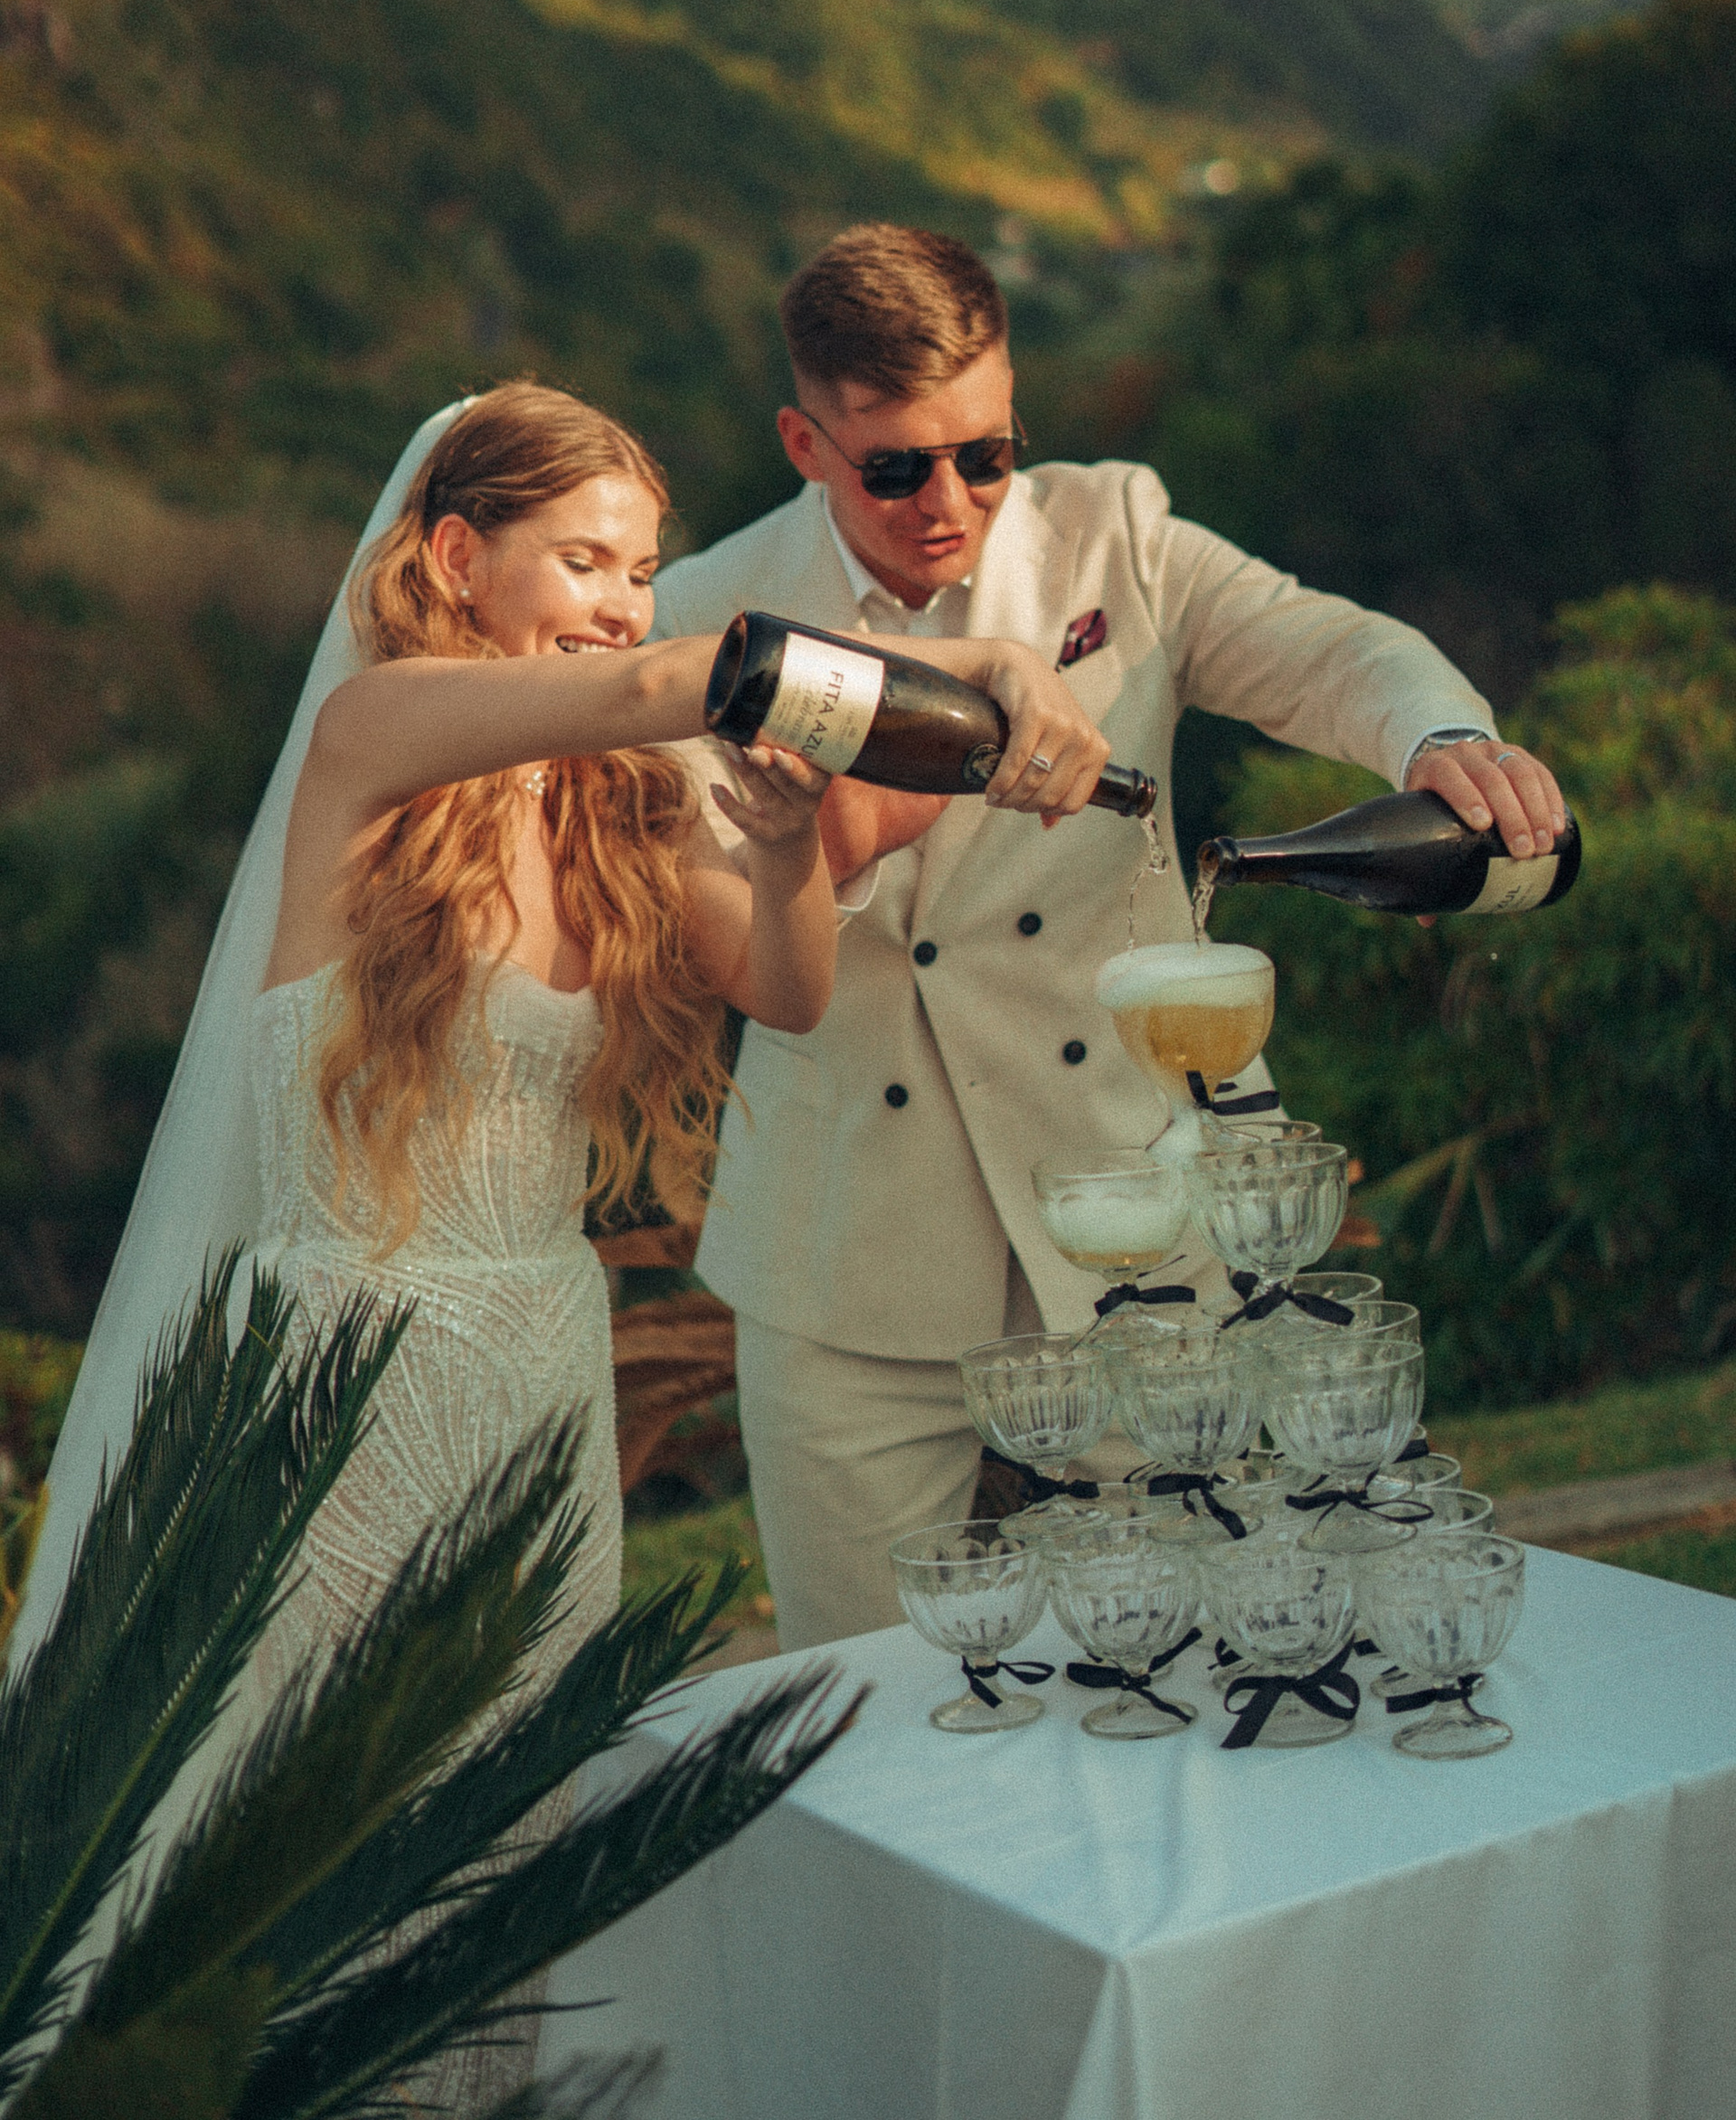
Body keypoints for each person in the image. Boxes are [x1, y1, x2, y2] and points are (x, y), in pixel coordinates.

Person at [15, 377, 1084, 2114]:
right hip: (340, 1387)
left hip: (534, 1382)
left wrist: (792, 834)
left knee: (499, 1863)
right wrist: (984, 669)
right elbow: (680, 679)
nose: (620, 602)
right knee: (299, 1854)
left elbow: (791, 989)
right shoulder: (372, 733)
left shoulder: (620, 804)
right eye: (584, 559)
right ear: (455, 555)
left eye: (642, 570)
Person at [651, 222, 1570, 1654]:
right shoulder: (706, 615)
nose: (948, 502)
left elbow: (1331, 649)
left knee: (1204, 1639)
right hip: (847, 1252)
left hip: (1140, 1207)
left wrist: (1440, 735)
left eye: (986, 455)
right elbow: (698, 923)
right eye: (894, 469)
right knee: (866, 1684)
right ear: (804, 442)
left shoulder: (1117, 534)